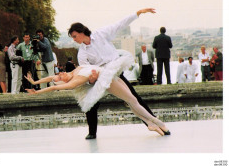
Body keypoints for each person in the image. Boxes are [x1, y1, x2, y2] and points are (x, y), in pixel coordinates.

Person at [25, 53, 170, 137]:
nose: (60, 74)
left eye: (58, 74)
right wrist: (37, 91)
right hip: (106, 81)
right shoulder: (74, 81)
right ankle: (156, 122)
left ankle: (150, 123)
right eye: (59, 77)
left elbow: (50, 78)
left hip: (109, 74)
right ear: (62, 82)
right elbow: (53, 88)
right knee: (132, 100)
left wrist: (35, 81)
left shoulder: (72, 72)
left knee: (131, 101)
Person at [68, 8, 158, 139]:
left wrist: (138, 13)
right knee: (91, 104)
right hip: (100, 78)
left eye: (75, 36)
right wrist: (91, 80)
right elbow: (86, 71)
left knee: (134, 98)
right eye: (72, 38)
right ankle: (92, 132)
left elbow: (119, 24)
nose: (74, 40)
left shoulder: (100, 34)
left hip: (115, 73)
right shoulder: (82, 53)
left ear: (82, 32)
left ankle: (154, 122)